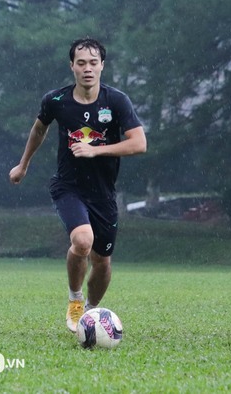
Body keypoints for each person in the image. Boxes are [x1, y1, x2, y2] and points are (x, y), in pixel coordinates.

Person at [9, 38, 147, 332]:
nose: (87, 69)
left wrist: (96, 150)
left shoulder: (116, 101)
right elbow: (38, 129)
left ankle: (92, 315)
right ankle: (75, 300)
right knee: (82, 241)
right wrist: (23, 165)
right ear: (71, 65)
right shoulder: (56, 101)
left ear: (102, 66)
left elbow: (139, 143)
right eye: (81, 63)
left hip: (103, 193)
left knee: (102, 261)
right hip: (68, 186)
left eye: (93, 63)